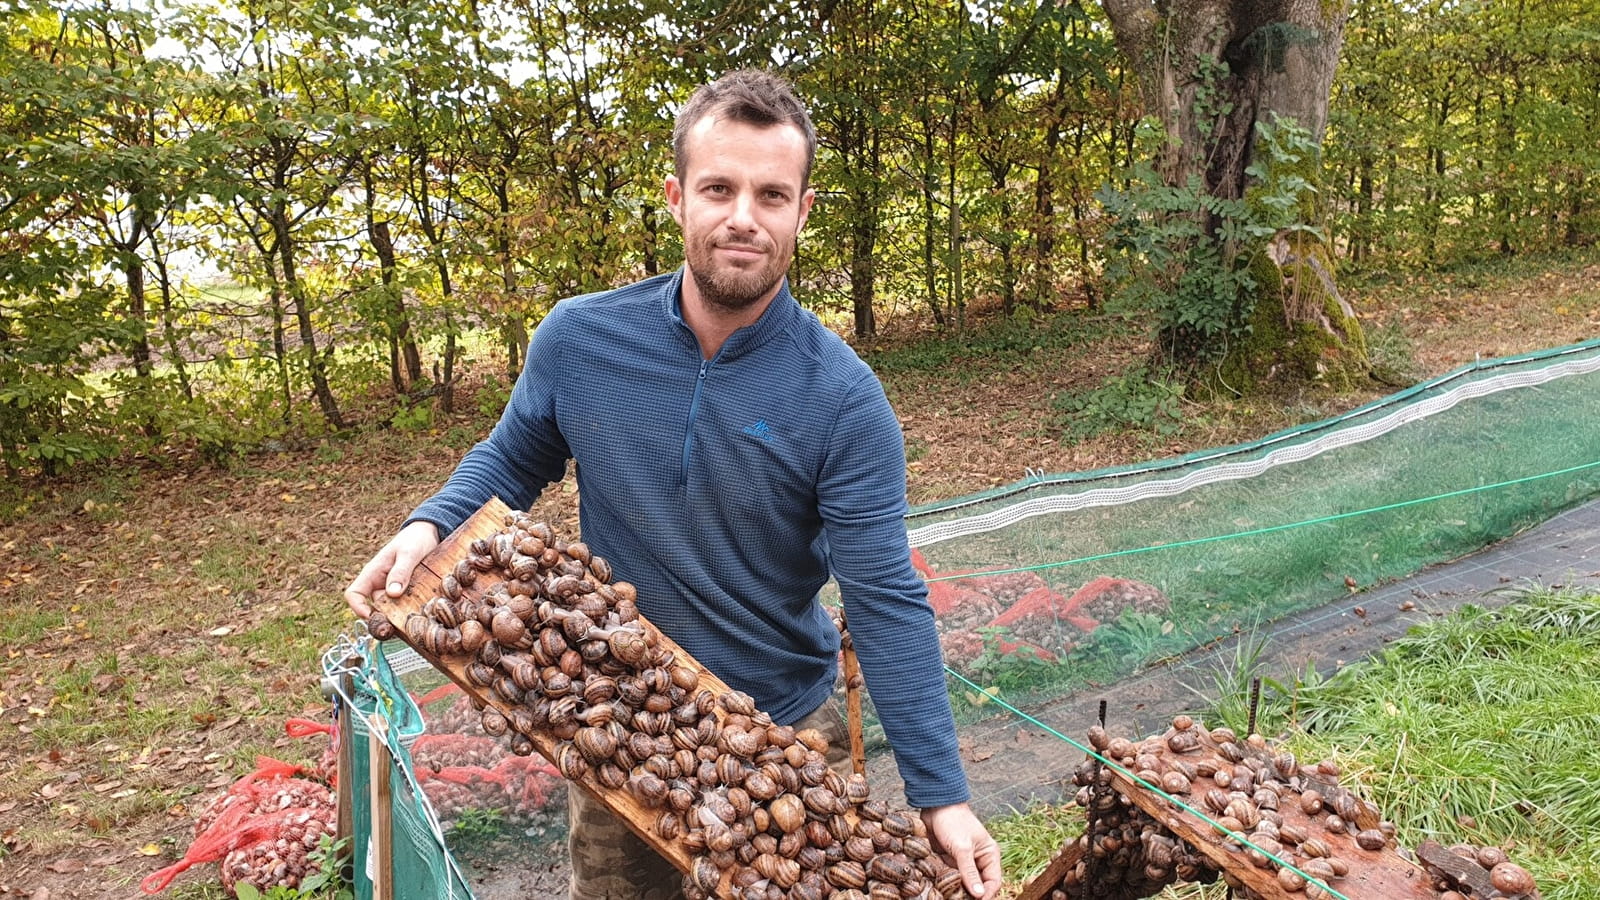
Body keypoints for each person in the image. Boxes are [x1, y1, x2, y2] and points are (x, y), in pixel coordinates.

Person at [344, 69, 1003, 900]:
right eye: (718, 188)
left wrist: (942, 795)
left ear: (802, 211)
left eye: (771, 195)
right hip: (621, 724)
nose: (742, 217)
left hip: (783, 736)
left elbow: (884, 594)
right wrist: (429, 524)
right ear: (676, 196)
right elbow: (514, 457)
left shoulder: (842, 399)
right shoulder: (581, 340)